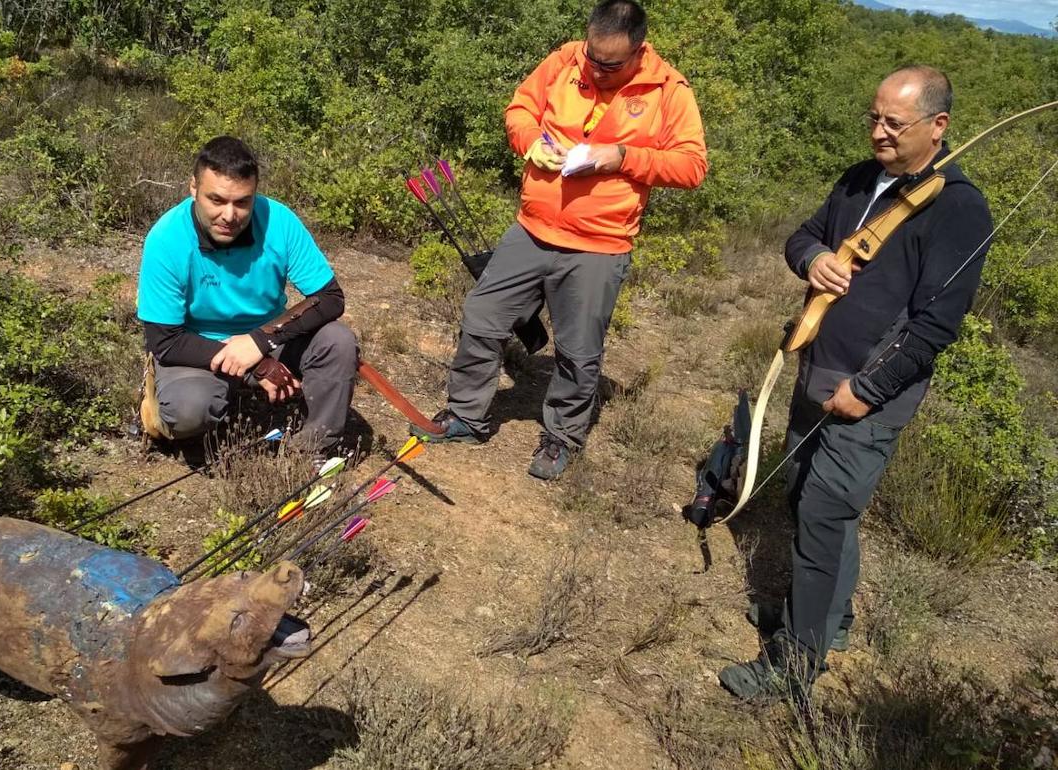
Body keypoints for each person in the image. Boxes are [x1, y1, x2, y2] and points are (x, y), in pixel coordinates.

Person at [719, 66, 993, 700]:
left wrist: (867, 390)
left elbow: (934, 327)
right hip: (817, 366)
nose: (879, 132)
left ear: (938, 126)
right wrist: (813, 259)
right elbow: (804, 237)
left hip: (869, 392)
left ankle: (795, 663)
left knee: (822, 513)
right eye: (874, 118)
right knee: (802, 498)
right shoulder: (858, 179)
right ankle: (822, 621)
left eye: (894, 124)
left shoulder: (957, 206)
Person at [418, 0, 707, 480]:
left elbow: (692, 165)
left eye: (610, 64)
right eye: (592, 56)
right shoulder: (564, 60)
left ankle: (561, 437)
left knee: (577, 350)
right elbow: (520, 109)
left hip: (601, 243)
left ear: (638, 52)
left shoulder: (669, 90)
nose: (596, 69)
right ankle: (466, 416)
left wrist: (622, 157)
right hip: (532, 228)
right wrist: (529, 140)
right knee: (482, 318)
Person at [136, 136, 357, 457]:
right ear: (193, 189)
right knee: (188, 411)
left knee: (338, 341)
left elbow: (330, 297)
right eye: (216, 200)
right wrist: (255, 366)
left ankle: (313, 450)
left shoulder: (278, 221)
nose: (230, 215)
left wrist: (260, 342)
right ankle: (188, 406)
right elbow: (166, 341)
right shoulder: (166, 238)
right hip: (195, 346)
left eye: (242, 202)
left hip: (269, 337)